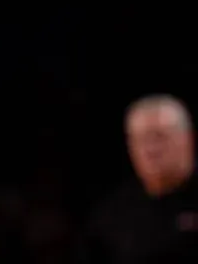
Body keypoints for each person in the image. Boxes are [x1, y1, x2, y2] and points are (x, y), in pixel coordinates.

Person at [81, 94, 197, 263]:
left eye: (160, 136)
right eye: (141, 139)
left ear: (188, 137)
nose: (151, 149)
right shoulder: (112, 215)